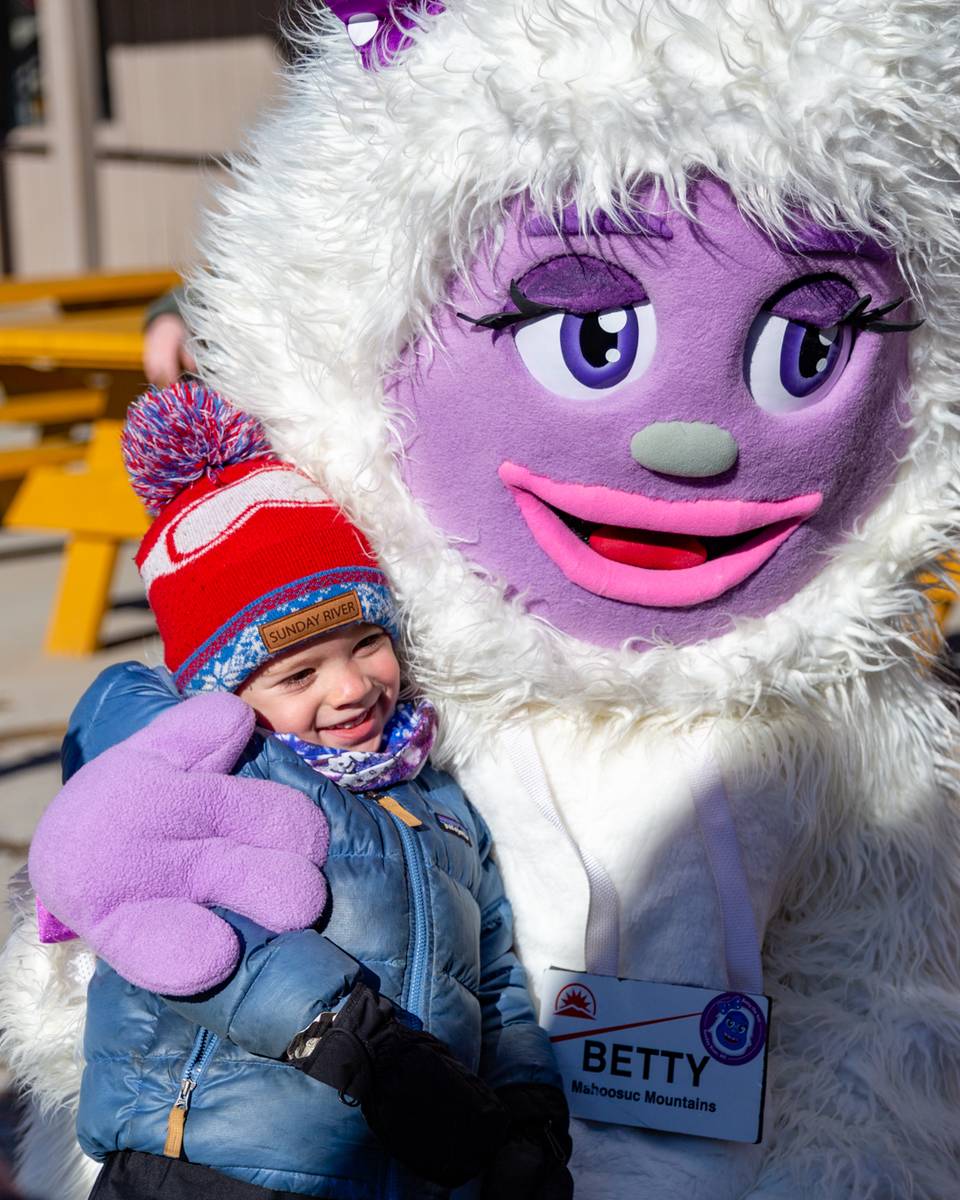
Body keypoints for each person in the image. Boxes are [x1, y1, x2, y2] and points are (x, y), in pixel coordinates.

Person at [32, 381, 572, 1200]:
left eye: (367, 643)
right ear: (225, 692)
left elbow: (491, 968)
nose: (352, 687)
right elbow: (194, 940)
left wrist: (526, 1107)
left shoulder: (438, 799)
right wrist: (360, 1044)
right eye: (297, 673)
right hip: (206, 1167)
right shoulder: (219, 778)